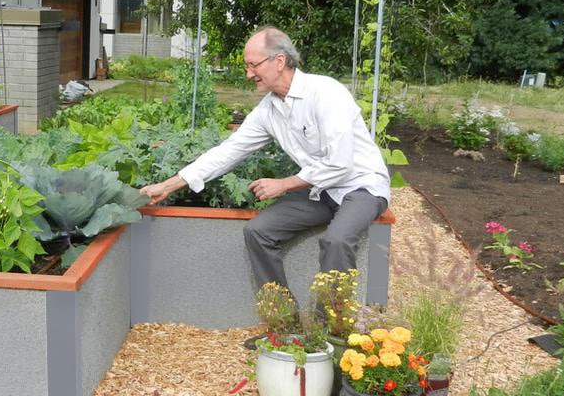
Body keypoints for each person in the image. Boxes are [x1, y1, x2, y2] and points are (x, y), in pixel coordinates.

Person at [139, 26, 390, 294]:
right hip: (322, 190)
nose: (249, 74)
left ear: (279, 61)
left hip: (361, 186)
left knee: (337, 241)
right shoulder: (268, 111)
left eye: (253, 65)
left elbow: (340, 164)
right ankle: (283, 323)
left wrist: (283, 184)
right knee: (259, 231)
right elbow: (228, 152)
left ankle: (333, 332)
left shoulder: (326, 93)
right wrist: (167, 186)